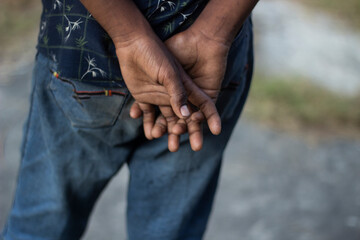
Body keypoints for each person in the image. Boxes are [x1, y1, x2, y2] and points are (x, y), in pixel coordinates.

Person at [1, 0, 258, 239]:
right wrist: (215, 33)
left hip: (86, 52)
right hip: (203, 66)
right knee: (169, 230)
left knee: (40, 225)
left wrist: (129, 35)